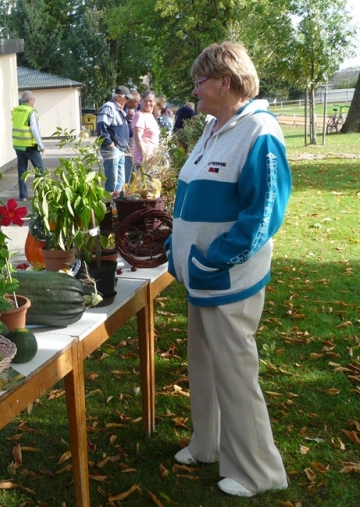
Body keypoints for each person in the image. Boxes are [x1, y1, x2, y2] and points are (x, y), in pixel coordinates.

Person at [165, 41, 291, 498]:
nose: (195, 89)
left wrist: (212, 257)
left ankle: (258, 471)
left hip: (227, 278)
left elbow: (265, 213)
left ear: (226, 81)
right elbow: (193, 197)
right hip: (199, 277)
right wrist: (175, 246)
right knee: (204, 366)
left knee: (235, 374)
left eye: (201, 80)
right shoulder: (215, 127)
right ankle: (209, 445)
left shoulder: (259, 130)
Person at [96, 85, 131, 194]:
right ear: (120, 96)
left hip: (120, 149)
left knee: (120, 181)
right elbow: (101, 126)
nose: (128, 101)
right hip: (113, 149)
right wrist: (109, 143)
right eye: (127, 98)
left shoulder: (119, 109)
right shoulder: (109, 107)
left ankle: (117, 204)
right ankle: (109, 204)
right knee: (113, 181)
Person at [11, 90, 45, 201]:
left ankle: (23, 195)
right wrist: (41, 145)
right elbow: (34, 129)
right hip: (30, 146)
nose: (34, 101)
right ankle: (39, 193)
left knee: (22, 171)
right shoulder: (31, 112)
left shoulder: (16, 110)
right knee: (40, 170)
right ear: (29, 100)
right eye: (33, 99)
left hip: (18, 145)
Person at [131, 91, 161, 168]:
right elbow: (137, 138)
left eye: (150, 101)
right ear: (141, 102)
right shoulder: (139, 116)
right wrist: (144, 156)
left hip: (151, 157)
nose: (148, 103)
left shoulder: (150, 115)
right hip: (143, 159)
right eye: (145, 101)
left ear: (154, 102)